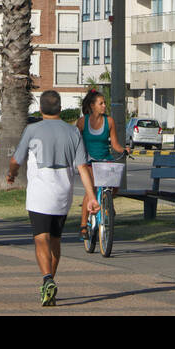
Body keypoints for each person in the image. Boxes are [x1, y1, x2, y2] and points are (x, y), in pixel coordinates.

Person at [7, 90, 98, 307]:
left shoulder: (32, 130)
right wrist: (92, 197)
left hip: (39, 193)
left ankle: (47, 279)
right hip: (62, 194)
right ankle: (50, 283)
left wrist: (11, 174)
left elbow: (15, 160)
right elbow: (82, 167)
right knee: (55, 240)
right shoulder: (73, 132)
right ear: (60, 108)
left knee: (41, 239)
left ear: (40, 109)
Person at [74, 91, 128, 241]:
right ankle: (83, 225)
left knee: (114, 185)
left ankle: (107, 205)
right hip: (89, 161)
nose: (104, 106)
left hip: (105, 159)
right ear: (92, 106)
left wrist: (123, 150)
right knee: (90, 190)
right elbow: (75, 142)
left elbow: (115, 144)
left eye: (104, 103)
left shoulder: (109, 121)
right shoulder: (82, 122)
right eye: (101, 103)